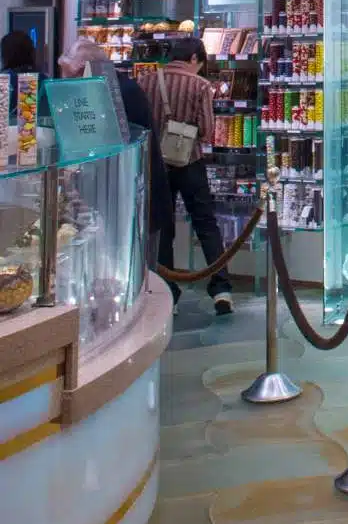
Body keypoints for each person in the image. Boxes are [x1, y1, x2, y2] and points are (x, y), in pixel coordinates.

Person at [58, 36, 172, 243]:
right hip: (126, 202)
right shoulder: (114, 87)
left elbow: (116, 151)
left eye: (70, 76)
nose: (68, 83)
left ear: (86, 69)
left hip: (136, 203)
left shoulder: (119, 92)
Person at [156, 36, 233, 315]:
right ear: (193, 59)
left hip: (157, 166)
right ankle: (221, 288)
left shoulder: (149, 80)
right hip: (189, 161)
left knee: (163, 228)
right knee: (206, 223)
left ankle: (168, 293)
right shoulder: (200, 85)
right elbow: (207, 130)